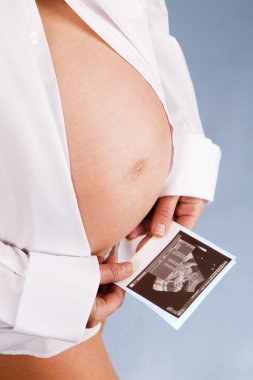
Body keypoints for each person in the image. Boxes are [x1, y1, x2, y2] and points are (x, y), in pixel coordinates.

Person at [0, 0, 221, 378]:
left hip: (92, 266)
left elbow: (142, 13)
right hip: (32, 276)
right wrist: (31, 294)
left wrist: (186, 154)